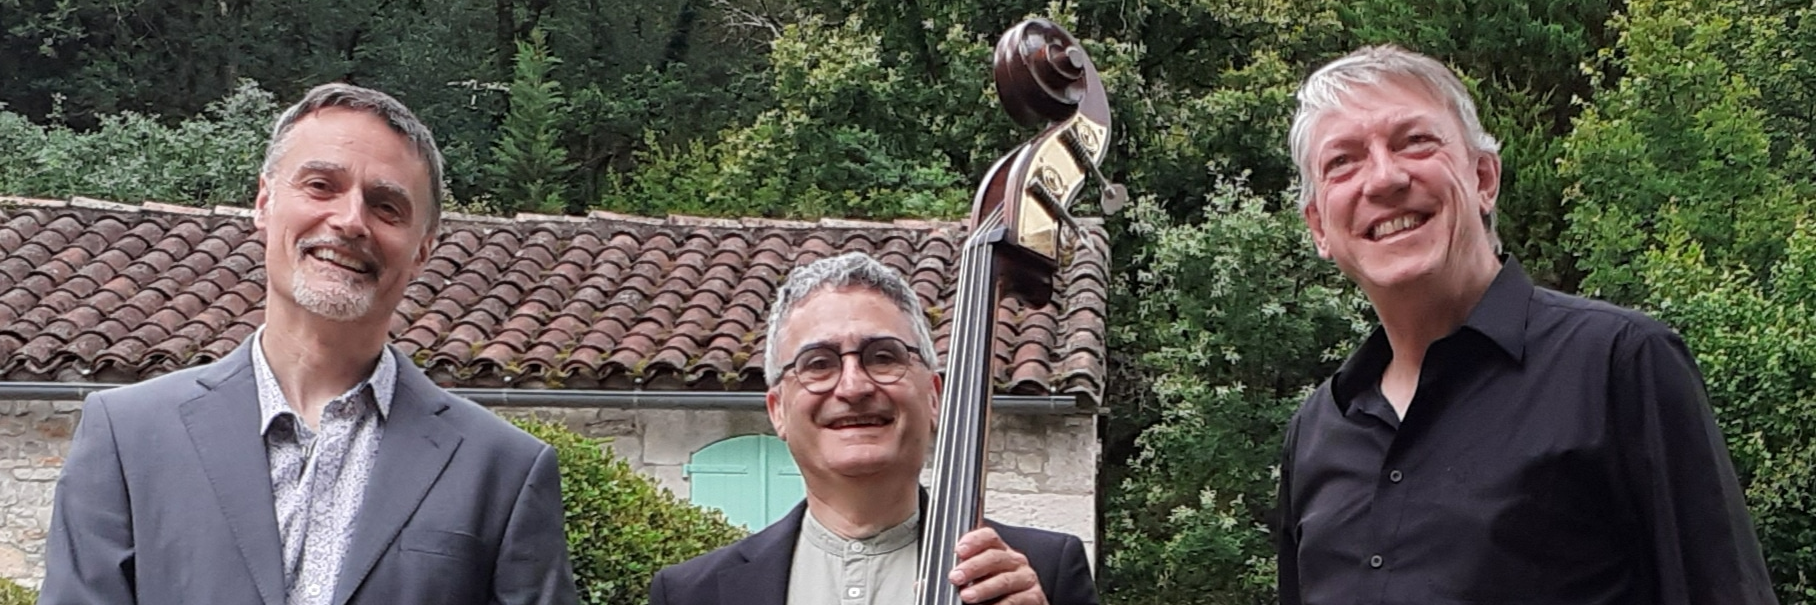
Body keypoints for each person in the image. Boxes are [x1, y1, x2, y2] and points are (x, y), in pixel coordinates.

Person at [1275, 45, 1780, 605]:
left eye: (1414, 141)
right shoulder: (1318, 430)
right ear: (1320, 227)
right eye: (1343, 161)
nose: (1385, 178)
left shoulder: (1616, 362)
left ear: (1484, 177)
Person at [40, 83, 579, 605]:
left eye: (387, 206)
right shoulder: (129, 438)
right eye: (321, 186)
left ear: (421, 250)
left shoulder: (503, 469)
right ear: (264, 203)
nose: (350, 221)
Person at [648, 252, 1098, 605]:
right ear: (778, 410)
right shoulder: (690, 594)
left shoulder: (1041, 573)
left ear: (934, 396)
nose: (854, 386)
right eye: (818, 364)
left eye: (883, 357)